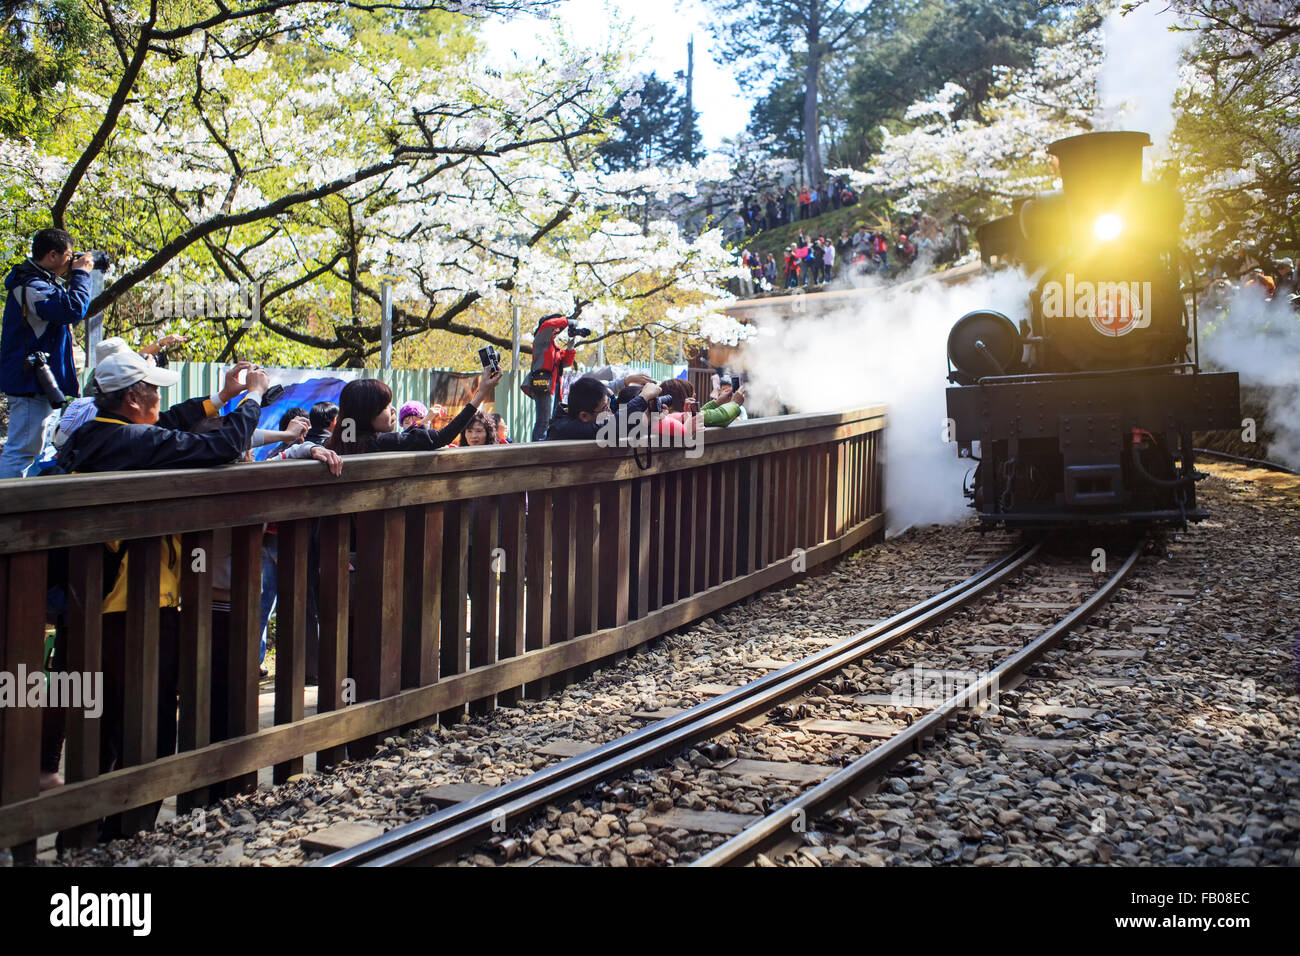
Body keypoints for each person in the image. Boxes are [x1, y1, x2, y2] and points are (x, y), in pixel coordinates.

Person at [1, 229, 94, 478]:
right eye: (69, 255)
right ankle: (8, 510)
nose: (72, 261)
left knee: (37, 450)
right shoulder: (31, 285)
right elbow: (72, 309)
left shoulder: (40, 281)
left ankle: (25, 508)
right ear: (52, 255)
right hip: (30, 382)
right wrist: (82, 274)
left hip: (41, 382)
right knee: (21, 451)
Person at [327, 368, 501, 455]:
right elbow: (441, 437)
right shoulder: (381, 444)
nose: (393, 409)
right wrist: (481, 394)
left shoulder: (336, 444)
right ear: (366, 415)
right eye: (386, 406)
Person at [544, 376, 660, 441]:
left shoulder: (572, 420)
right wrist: (643, 397)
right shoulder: (565, 429)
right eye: (605, 408)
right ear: (584, 416)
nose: (610, 411)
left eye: (609, 404)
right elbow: (611, 426)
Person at [525, 313, 577, 441]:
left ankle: (547, 443)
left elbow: (565, 363)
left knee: (551, 420)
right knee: (543, 421)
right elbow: (548, 324)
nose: (556, 330)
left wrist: (570, 348)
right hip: (542, 384)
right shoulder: (540, 339)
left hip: (552, 385)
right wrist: (568, 321)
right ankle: (538, 447)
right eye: (555, 328)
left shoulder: (554, 347)